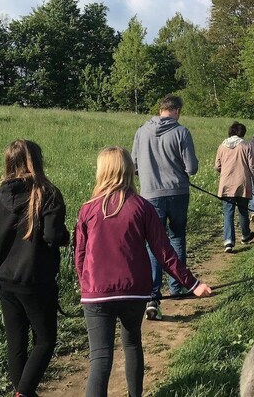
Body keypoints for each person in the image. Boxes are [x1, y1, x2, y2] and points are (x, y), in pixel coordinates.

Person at [74, 146, 211, 397]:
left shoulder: (87, 209)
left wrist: (86, 284)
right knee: (132, 344)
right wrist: (192, 284)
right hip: (134, 291)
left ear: (101, 171)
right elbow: (164, 252)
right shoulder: (142, 207)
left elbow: (80, 256)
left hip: (96, 293)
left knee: (100, 358)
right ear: (129, 170)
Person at [0, 139, 69, 397]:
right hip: (36, 279)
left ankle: (23, 391)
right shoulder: (47, 193)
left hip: (5, 280)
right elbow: (53, 236)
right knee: (45, 339)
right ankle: (24, 392)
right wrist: (65, 236)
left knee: (16, 342)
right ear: (37, 161)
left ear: (9, 162)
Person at [132, 94, 199, 321]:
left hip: (150, 194)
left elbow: (134, 165)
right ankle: (178, 285)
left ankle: (153, 295)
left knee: (154, 243)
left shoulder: (141, 131)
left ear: (161, 109)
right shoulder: (181, 132)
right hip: (178, 191)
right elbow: (192, 167)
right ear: (177, 110)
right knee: (177, 236)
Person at [215, 121, 254, 253]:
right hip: (242, 183)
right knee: (243, 210)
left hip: (226, 184)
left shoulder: (222, 146)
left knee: (228, 213)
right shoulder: (246, 146)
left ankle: (228, 240)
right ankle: (245, 234)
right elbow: (252, 167)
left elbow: (217, 166)